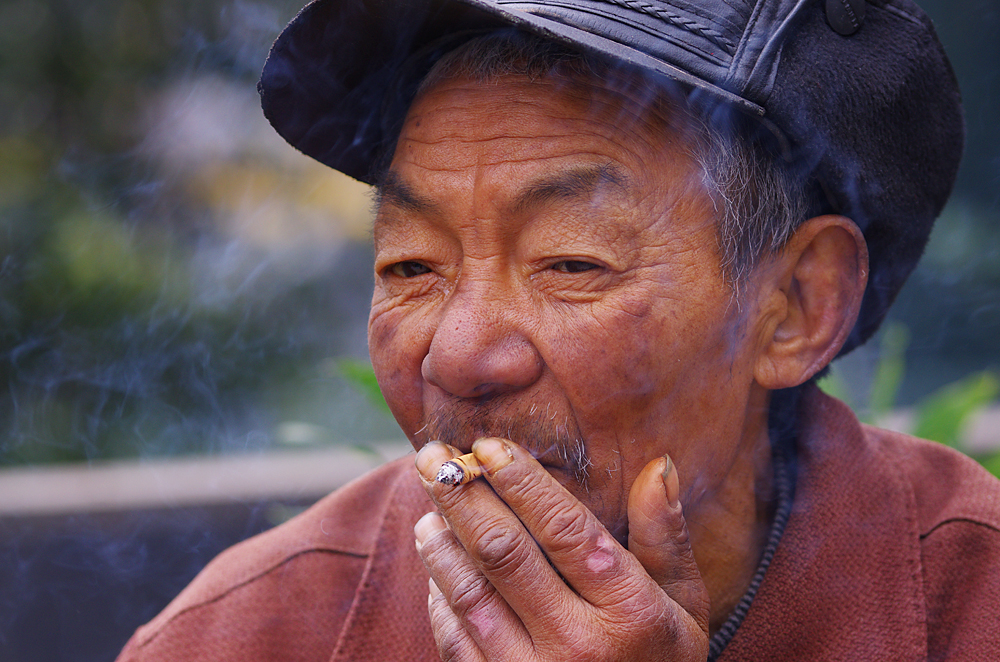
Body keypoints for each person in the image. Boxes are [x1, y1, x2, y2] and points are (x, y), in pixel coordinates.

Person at [118, 0, 1000, 660]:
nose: (457, 357)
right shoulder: (245, 636)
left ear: (796, 308)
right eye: (411, 266)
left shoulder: (973, 605)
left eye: (571, 262)